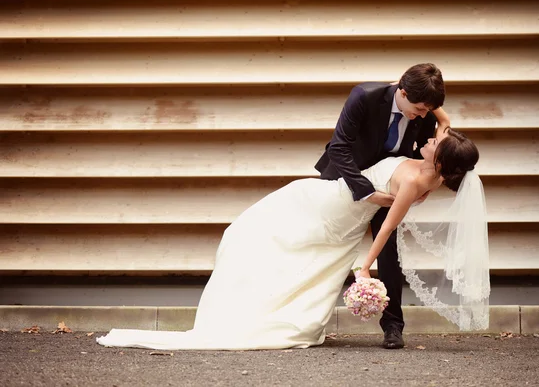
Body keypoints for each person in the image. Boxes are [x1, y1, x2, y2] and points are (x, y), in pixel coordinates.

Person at [96, 126, 489, 351]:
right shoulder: (434, 173)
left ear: (440, 160)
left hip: (337, 206)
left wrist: (365, 267)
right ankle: (257, 307)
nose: (431, 135)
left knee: (265, 235)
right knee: (266, 235)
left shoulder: (417, 179)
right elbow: (442, 130)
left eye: (437, 141)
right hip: (339, 200)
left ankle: (252, 314)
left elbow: (387, 227)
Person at [315, 63, 446, 349]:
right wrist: (366, 192)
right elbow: (339, 147)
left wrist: (421, 187)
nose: (424, 116)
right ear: (402, 91)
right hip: (346, 177)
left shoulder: (423, 109)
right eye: (420, 108)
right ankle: (311, 318)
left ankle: (393, 326)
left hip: (390, 182)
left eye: (428, 110)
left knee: (388, 250)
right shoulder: (363, 96)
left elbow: (429, 150)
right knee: (325, 244)